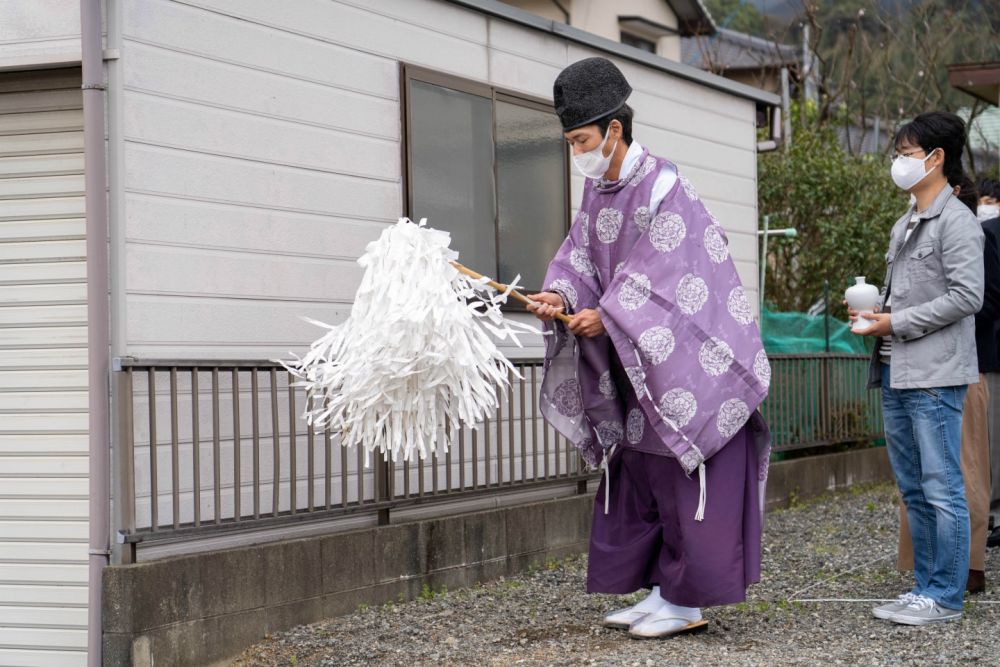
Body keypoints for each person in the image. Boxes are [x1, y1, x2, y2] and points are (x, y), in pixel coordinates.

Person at [526, 57, 771, 639]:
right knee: (645, 473)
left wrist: (605, 318)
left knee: (685, 474)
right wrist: (558, 295)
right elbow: (580, 258)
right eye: (569, 141)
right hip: (638, 360)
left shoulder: (665, 185)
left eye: (581, 139)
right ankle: (664, 589)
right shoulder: (598, 191)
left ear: (614, 129)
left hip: (687, 363)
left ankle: (689, 601)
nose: (576, 152)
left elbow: (669, 280)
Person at [852, 111, 984, 625]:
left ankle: (946, 595)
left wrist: (894, 322)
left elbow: (967, 296)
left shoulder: (958, 221)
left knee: (941, 484)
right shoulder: (904, 222)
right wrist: (875, 317)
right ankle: (925, 586)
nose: (898, 163)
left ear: (936, 159)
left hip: (935, 375)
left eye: (906, 154)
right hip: (895, 371)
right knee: (913, 487)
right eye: (899, 154)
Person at [896, 177, 1000, 594]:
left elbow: (981, 300)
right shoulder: (911, 228)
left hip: (963, 364)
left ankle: (966, 567)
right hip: (917, 363)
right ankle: (927, 568)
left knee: (962, 471)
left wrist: (914, 315)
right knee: (920, 475)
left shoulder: (971, 235)